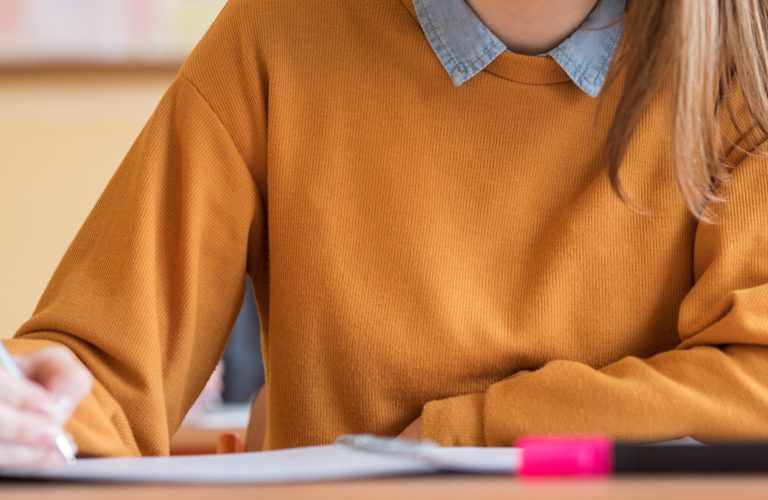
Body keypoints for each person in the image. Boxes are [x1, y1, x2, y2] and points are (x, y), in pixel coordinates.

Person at [2, 0, 768, 466]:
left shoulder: (744, 66)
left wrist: (467, 431)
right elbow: (99, 371)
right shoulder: (278, 32)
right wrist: (29, 405)